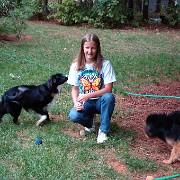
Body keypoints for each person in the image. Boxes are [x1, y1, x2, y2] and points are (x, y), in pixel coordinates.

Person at [67, 33, 116, 143]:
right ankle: (90, 122)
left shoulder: (105, 64)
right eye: (87, 48)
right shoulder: (76, 65)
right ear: (82, 48)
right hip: (86, 102)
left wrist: (87, 95)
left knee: (109, 97)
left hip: (100, 101)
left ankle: (103, 131)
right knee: (73, 115)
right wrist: (76, 102)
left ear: (97, 48)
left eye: (93, 48)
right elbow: (74, 88)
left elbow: (108, 89)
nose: (90, 51)